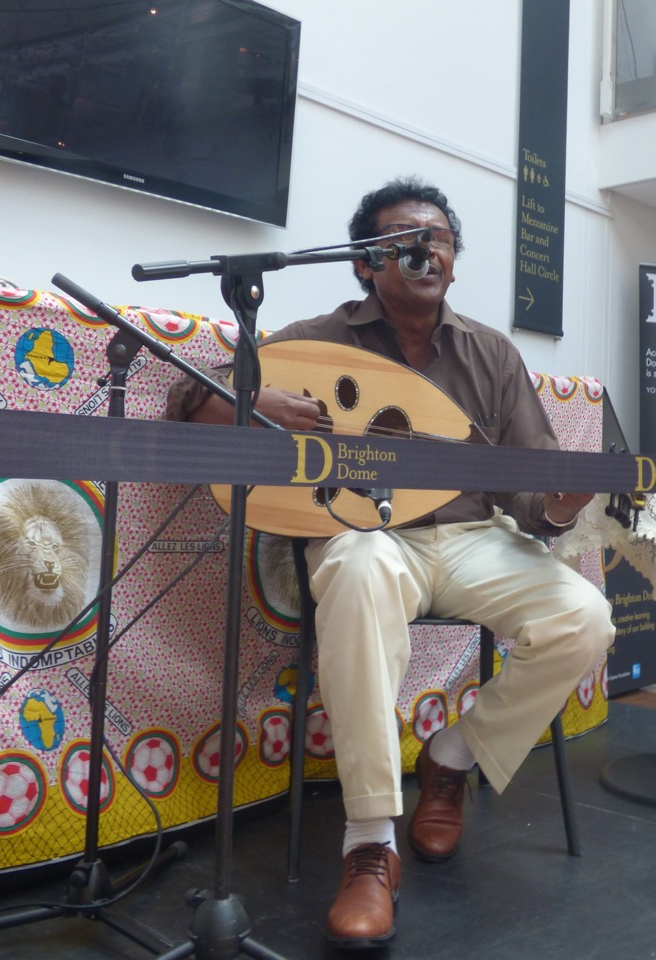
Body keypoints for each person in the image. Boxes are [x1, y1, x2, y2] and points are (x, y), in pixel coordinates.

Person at [167, 177, 615, 948]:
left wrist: (566, 501)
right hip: (366, 533)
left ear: (453, 258)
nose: (425, 250)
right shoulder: (319, 338)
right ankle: (370, 843)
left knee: (586, 616)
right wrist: (249, 404)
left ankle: (452, 758)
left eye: (438, 238)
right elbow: (185, 397)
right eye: (403, 238)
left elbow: (532, 498)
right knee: (357, 567)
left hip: (474, 538)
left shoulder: (491, 354)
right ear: (364, 262)